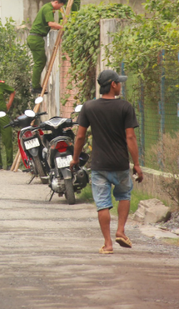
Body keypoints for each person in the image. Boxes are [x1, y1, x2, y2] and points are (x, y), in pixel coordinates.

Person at [70, 69, 143, 255]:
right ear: (112, 84)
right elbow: (131, 137)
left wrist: (75, 158)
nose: (120, 85)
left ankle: (108, 244)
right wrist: (136, 163)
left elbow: (80, 136)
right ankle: (120, 231)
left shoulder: (89, 107)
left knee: (102, 204)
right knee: (124, 195)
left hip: (99, 165)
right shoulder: (125, 107)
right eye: (119, 82)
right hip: (120, 163)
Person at [27, 0, 66, 95]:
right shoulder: (48, 8)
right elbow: (51, 24)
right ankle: (35, 86)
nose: (60, 8)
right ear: (56, 2)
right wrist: (64, 26)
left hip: (35, 38)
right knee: (40, 62)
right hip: (36, 38)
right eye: (60, 6)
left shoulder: (48, 8)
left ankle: (35, 85)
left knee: (41, 61)